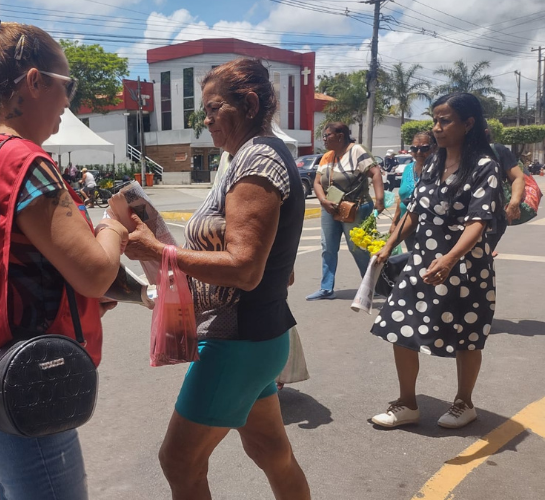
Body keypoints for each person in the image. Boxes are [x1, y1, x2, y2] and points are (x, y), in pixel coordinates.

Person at [0, 16, 128, 499]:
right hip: (28, 391)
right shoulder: (26, 162)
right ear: (34, 83)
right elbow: (93, 271)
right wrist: (116, 223)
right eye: (65, 87)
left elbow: (12, 265)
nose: (67, 102)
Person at [125, 58, 310, 500]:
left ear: (247, 103)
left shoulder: (257, 159)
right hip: (257, 338)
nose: (205, 120)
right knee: (271, 452)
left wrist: (158, 252)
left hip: (237, 342)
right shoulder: (248, 155)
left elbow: (245, 268)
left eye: (213, 108)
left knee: (178, 461)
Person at [370, 92, 505, 429]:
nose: (437, 128)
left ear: (468, 123)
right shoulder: (432, 162)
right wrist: (389, 246)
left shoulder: (484, 166)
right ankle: (407, 403)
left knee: (467, 334)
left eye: (445, 121)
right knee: (399, 327)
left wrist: (450, 259)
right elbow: (414, 211)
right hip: (422, 261)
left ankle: (464, 402)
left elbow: (479, 221)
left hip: (465, 267)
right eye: (435, 120)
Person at [306, 122, 385, 301]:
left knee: (357, 248)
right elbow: (317, 182)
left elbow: (375, 173)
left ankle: (373, 286)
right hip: (330, 207)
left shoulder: (357, 150)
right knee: (328, 247)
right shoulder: (327, 156)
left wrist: (380, 200)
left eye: (327, 136)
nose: (324, 139)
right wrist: (323, 200)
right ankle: (326, 289)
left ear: (340, 136)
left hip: (355, 207)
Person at [389, 131, 437, 250]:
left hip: (430, 225)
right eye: (414, 149)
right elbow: (401, 197)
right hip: (406, 225)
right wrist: (395, 222)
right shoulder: (407, 168)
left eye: (424, 148)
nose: (419, 152)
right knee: (413, 259)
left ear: (434, 148)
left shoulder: (438, 169)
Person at [487, 134, 524, 254]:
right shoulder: (456, 150)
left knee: (481, 258)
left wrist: (514, 203)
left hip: (493, 215)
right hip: (460, 216)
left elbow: (518, 177)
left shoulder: (498, 150)